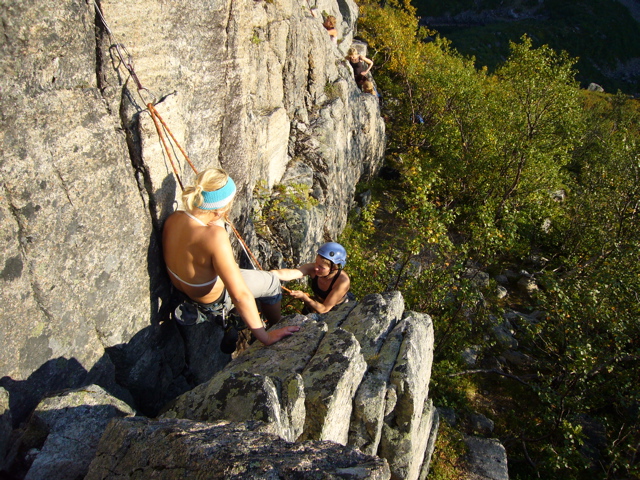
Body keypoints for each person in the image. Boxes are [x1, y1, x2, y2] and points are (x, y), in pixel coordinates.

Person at [162, 167, 299, 348]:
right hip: (214, 298)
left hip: (185, 289)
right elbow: (240, 294)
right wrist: (265, 338)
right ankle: (276, 323)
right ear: (219, 208)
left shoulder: (174, 218)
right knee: (272, 283)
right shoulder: (214, 236)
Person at [271, 242, 351, 314]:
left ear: (333, 268)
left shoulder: (342, 282)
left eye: (321, 267)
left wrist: (304, 297)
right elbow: (292, 273)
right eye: (316, 263)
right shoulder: (312, 269)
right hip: (316, 304)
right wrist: (271, 274)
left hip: (336, 310)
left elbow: (324, 309)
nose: (316, 268)